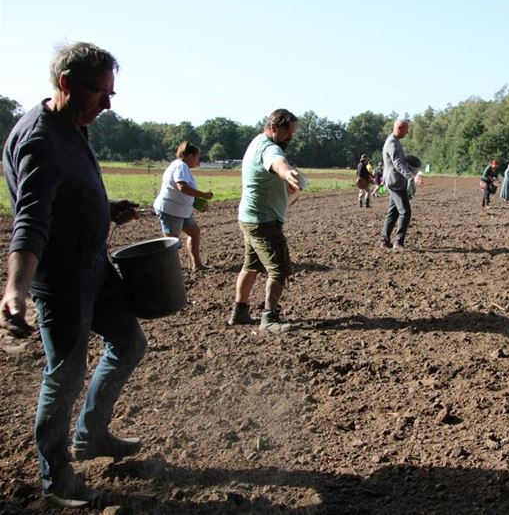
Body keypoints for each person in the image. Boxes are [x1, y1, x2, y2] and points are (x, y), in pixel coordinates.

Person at [0, 42, 146, 509]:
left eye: (111, 94)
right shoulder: (40, 139)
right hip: (62, 279)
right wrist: (15, 290)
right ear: (66, 84)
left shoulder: (72, 125)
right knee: (64, 373)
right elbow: (31, 221)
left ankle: (91, 434)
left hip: (93, 265)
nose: (107, 104)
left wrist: (104, 210)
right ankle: (57, 478)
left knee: (129, 341)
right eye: (101, 93)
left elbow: (65, 196)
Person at [227, 109, 302, 333]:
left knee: (251, 266)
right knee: (279, 269)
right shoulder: (270, 148)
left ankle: (239, 313)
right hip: (263, 221)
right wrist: (288, 173)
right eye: (287, 132)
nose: (290, 137)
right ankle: (269, 319)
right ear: (273, 127)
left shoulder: (257, 142)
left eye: (293, 133)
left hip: (251, 218)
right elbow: (277, 163)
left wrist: (288, 187)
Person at [153, 141, 214, 271]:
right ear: (190, 156)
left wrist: (198, 203)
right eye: (197, 157)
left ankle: (197, 265)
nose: (198, 161)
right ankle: (170, 271)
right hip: (171, 210)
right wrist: (203, 195)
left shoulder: (179, 166)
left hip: (180, 210)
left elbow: (182, 191)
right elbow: (182, 187)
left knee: (194, 232)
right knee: (171, 242)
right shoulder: (181, 166)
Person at [380, 119, 416, 251]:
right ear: (400, 128)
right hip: (396, 183)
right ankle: (398, 243)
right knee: (405, 212)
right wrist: (410, 177)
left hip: (394, 181)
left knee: (393, 212)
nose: (408, 133)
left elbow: (401, 162)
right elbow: (398, 163)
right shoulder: (393, 143)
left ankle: (384, 241)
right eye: (407, 130)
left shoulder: (393, 141)